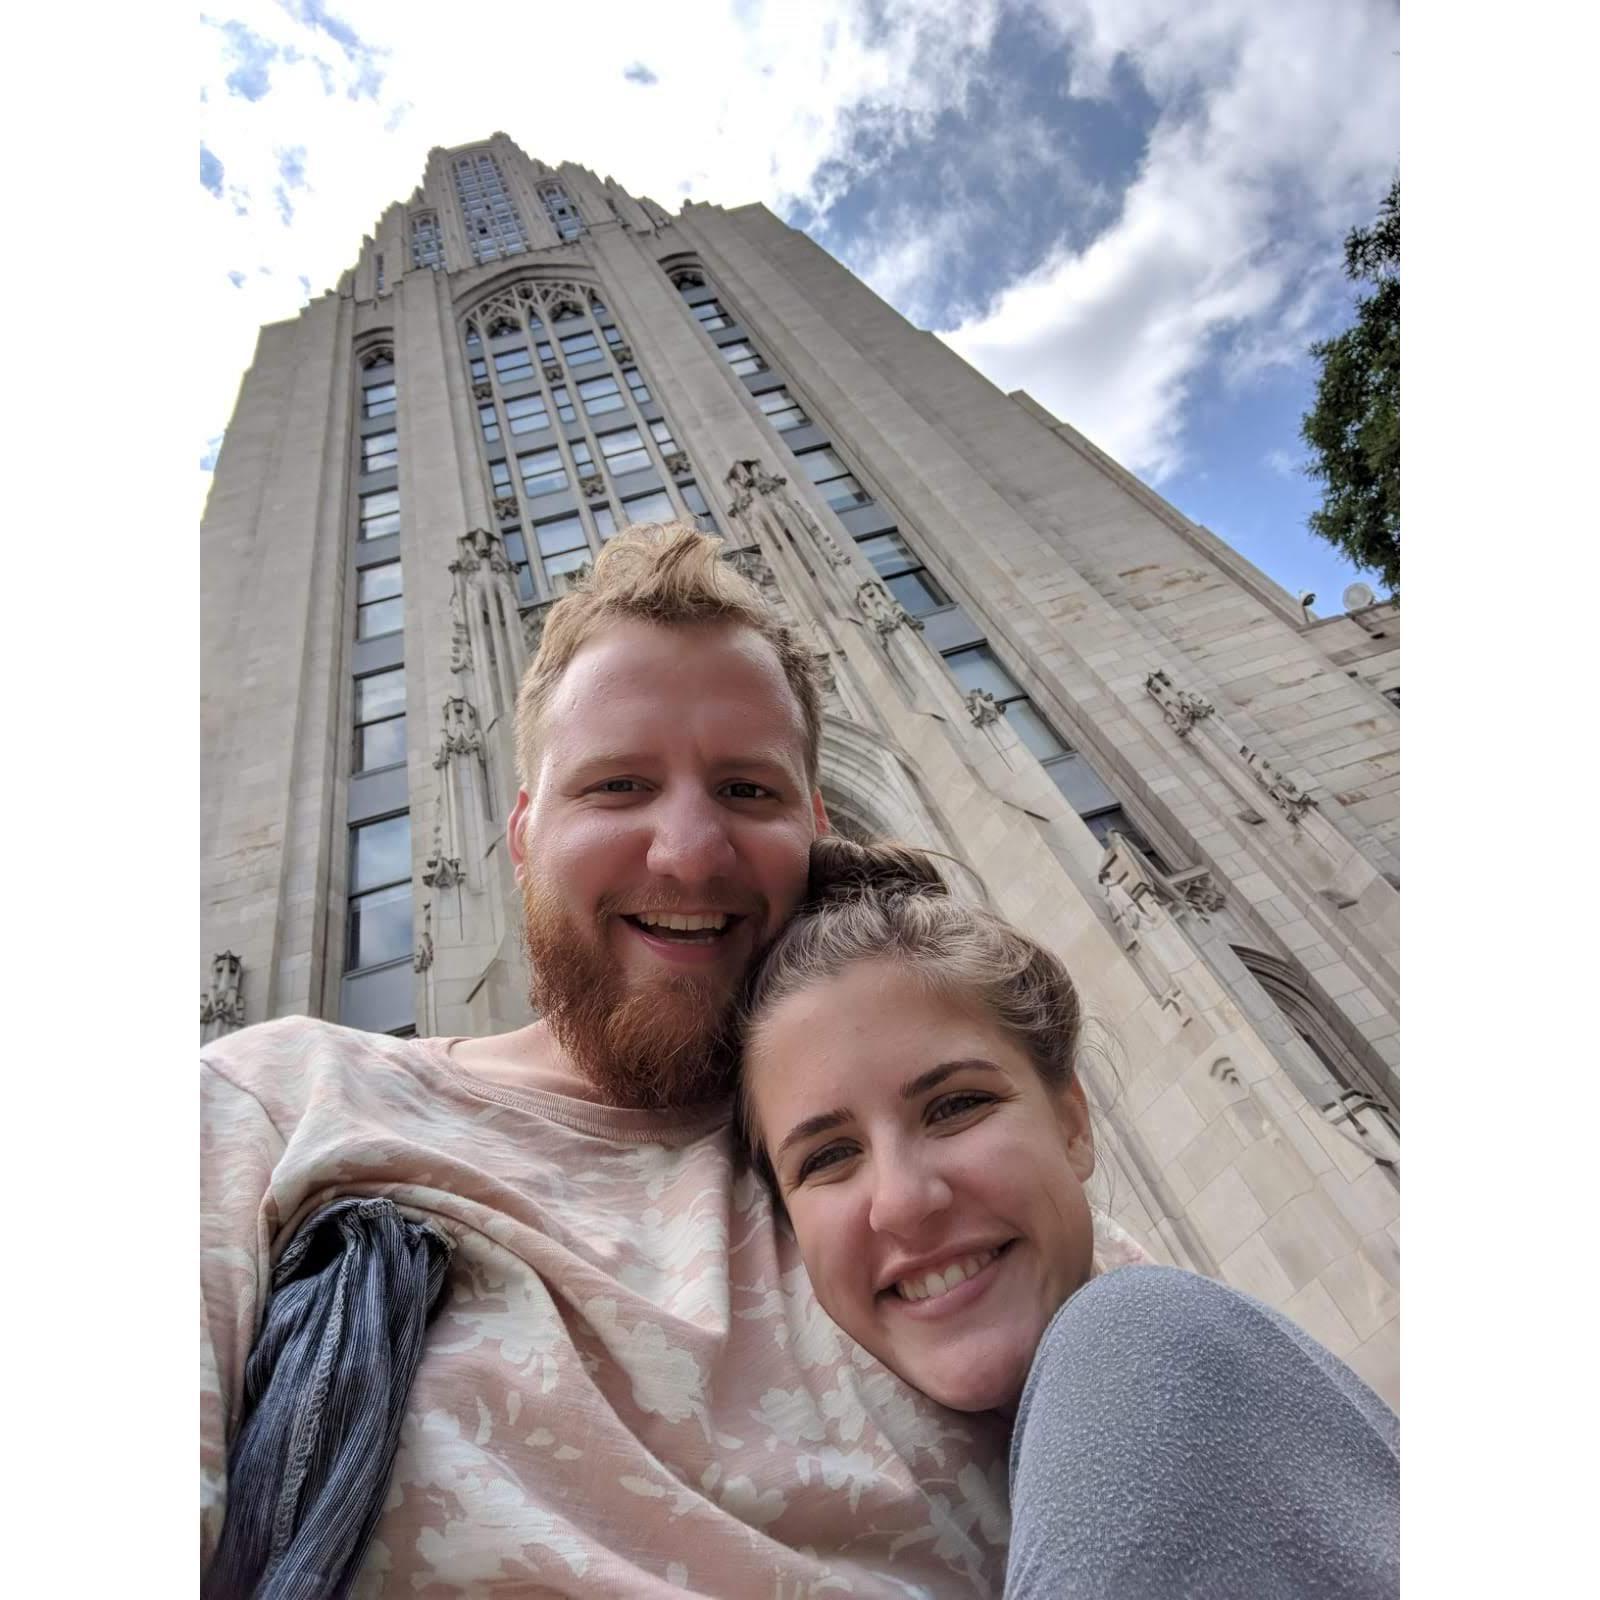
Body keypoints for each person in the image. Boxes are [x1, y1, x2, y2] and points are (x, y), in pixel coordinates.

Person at [201, 526, 1030, 1598]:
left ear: (813, 829)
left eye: (745, 790)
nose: (687, 850)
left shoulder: (942, 1170)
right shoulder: (277, 1101)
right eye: (618, 786)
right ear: (520, 831)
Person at [738, 837, 1401, 1599]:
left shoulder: (1135, 1334)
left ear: (1074, 1125)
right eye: (826, 1158)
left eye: (956, 1106)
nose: (901, 1201)